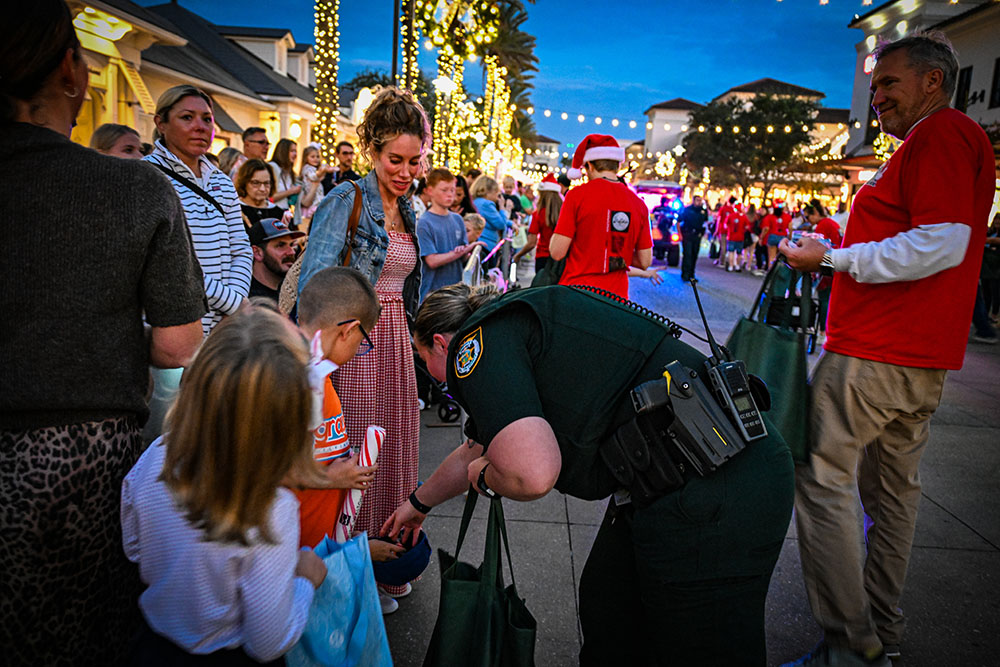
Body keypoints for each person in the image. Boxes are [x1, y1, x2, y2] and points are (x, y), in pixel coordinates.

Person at [384, 283, 795, 665]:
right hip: (670, 480)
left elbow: (531, 473)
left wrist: (487, 477)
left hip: (720, 487)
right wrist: (418, 504)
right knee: (609, 609)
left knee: (701, 646)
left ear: (441, 343)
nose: (435, 380)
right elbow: (477, 447)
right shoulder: (513, 324)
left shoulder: (478, 343)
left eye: (425, 362)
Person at [779, 32, 995, 667]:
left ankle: (853, 644)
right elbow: (920, 233)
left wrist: (836, 257)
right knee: (891, 497)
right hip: (915, 356)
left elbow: (942, 242)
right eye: (873, 87)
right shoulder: (933, 144)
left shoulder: (944, 135)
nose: (876, 98)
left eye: (888, 84)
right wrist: (833, 240)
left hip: (878, 352)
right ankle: (880, 635)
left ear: (932, 81)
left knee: (819, 475)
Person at [1, 3, 206, 664]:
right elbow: (179, 343)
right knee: (83, 634)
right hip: (83, 456)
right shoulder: (133, 191)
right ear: (71, 69)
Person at [121, 305, 328, 665]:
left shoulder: (156, 456)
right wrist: (305, 583)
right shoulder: (271, 508)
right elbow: (267, 641)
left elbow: (134, 547)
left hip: (151, 647)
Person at [297, 86, 426, 600]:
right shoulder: (344, 200)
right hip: (357, 344)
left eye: (414, 161)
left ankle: (388, 563)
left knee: (395, 449)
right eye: (395, 159)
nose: (405, 171)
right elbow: (314, 289)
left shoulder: (409, 207)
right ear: (372, 150)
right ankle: (346, 575)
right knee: (353, 458)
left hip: (395, 342)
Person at [144, 84, 252, 337]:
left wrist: (233, 305)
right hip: (174, 329)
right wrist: (234, 303)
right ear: (161, 123)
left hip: (223, 328)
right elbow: (168, 265)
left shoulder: (221, 181)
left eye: (207, 119)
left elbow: (241, 247)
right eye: (186, 118)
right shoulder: (146, 177)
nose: (200, 126)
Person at [548, 134, 652, 299]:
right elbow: (645, 261)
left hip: (577, 293)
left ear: (589, 165)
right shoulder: (638, 204)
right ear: (618, 165)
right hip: (617, 298)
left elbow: (557, 252)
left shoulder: (576, 196)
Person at [417, 167, 481, 302]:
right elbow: (432, 261)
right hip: (434, 293)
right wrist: (459, 252)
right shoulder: (424, 222)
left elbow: (463, 258)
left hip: (456, 290)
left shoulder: (458, 219)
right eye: (444, 190)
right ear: (430, 191)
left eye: (452, 190)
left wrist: (467, 252)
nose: (450, 194)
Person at [512, 173, 561, 273]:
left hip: (542, 258)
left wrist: (518, 255)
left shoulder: (538, 214)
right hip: (561, 259)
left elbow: (531, 243)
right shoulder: (565, 212)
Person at [248, 217, 305, 302]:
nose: (291, 252)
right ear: (257, 253)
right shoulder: (246, 299)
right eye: (281, 245)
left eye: (291, 245)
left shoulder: (294, 292)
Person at [236, 158, 292, 231]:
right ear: (244, 183)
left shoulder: (279, 213)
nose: (262, 189)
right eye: (256, 183)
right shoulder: (235, 210)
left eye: (266, 183)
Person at [470, 174, 512, 265]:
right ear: (487, 192)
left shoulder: (476, 201)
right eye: (496, 192)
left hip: (479, 239)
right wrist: (502, 207)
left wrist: (511, 223)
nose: (498, 196)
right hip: (487, 242)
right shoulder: (487, 204)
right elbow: (500, 223)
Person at [678, 195, 708, 282]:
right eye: (697, 200)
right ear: (693, 201)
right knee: (688, 255)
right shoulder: (687, 210)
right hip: (687, 234)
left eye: (700, 201)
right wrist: (680, 234)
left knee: (694, 255)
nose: (699, 202)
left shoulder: (703, 211)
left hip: (697, 235)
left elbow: (705, 222)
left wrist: (705, 233)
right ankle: (685, 274)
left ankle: (692, 274)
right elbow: (679, 222)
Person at [269, 138, 302, 212]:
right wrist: (291, 191)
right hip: (274, 211)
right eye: (292, 151)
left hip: (286, 212)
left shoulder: (289, 172)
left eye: (295, 151)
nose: (295, 154)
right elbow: (269, 197)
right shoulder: (273, 167)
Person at [763, 198, 791, 269]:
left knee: (771, 257)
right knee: (781, 258)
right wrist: (790, 238)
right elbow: (790, 228)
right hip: (783, 238)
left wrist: (761, 237)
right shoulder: (788, 217)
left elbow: (766, 228)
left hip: (772, 237)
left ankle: (770, 272)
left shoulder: (770, 217)